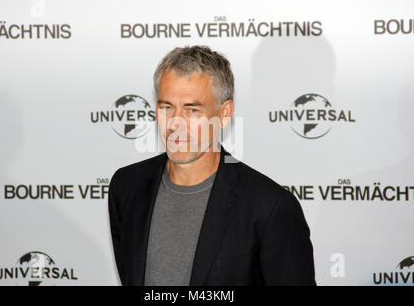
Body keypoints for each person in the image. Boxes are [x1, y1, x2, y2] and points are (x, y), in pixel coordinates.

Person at [108, 45, 316, 286]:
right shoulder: (127, 186)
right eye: (166, 107)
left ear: (225, 113)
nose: (175, 124)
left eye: (192, 110)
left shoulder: (269, 206)